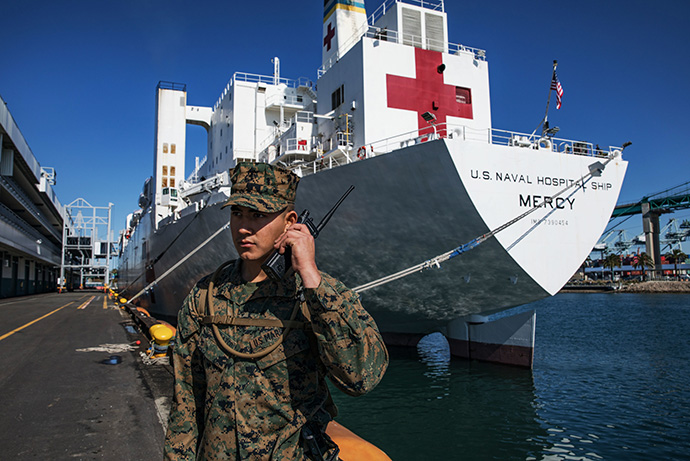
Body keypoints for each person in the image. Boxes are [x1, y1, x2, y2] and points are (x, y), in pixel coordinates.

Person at [164, 161, 389, 460]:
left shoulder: (317, 295)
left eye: (258, 215)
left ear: (290, 221)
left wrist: (310, 276)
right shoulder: (205, 296)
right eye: (237, 213)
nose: (243, 227)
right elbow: (186, 402)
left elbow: (361, 377)